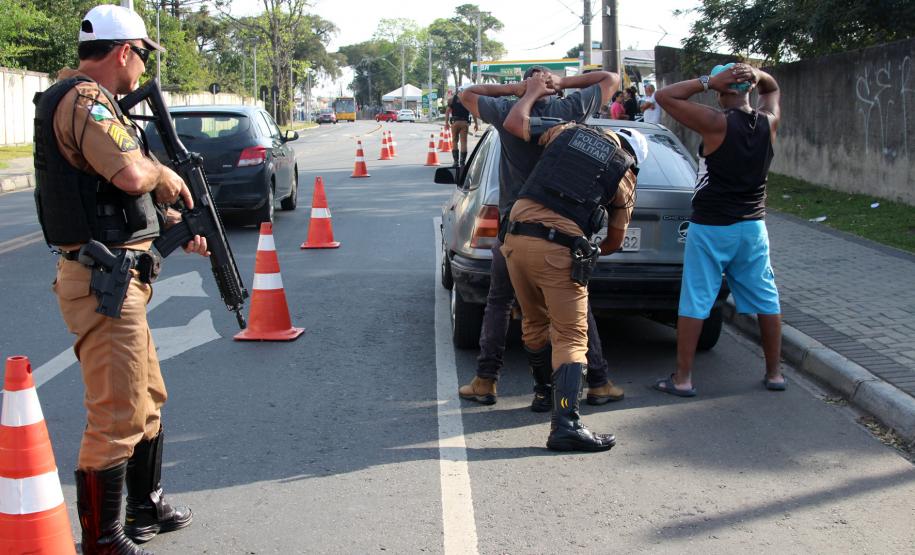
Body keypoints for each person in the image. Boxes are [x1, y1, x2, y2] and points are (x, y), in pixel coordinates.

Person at [33, 5, 204, 553]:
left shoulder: (91, 101)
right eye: (141, 56)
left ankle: (145, 506)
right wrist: (165, 174)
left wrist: (173, 221)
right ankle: (103, 539)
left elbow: (117, 192)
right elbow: (132, 173)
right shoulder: (85, 100)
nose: (141, 70)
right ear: (124, 51)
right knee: (117, 411)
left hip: (121, 275)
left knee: (147, 395)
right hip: (102, 283)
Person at [457, 66, 625, 413]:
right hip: (565, 233)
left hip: (514, 231)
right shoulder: (571, 109)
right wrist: (561, 83)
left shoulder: (507, 113)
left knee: (500, 302)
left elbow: (467, 94)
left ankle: (487, 381)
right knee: (576, 311)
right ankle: (597, 382)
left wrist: (520, 89)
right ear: (555, 90)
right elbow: (611, 79)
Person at [499, 72, 638, 451]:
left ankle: (544, 395)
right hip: (557, 248)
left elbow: (533, 134)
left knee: (533, 321)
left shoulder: (563, 134)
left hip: (514, 237)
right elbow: (614, 239)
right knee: (572, 336)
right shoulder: (623, 171)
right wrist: (592, 245)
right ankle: (566, 423)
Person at [653, 62, 785, 397]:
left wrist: (706, 81)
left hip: (711, 226)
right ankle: (775, 374)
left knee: (697, 299)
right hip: (753, 227)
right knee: (766, 298)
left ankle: (682, 379)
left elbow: (664, 96)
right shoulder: (768, 122)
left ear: (720, 90)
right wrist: (757, 75)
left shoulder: (716, 122)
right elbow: (772, 89)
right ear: (750, 89)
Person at [444, 88, 478, 167]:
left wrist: (446, 123)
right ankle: (462, 162)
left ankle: (456, 162)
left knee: (454, 141)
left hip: (455, 123)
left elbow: (447, 112)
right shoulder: (467, 101)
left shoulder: (451, 100)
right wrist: (476, 123)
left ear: (457, 92)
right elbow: (473, 113)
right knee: (464, 143)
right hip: (464, 123)